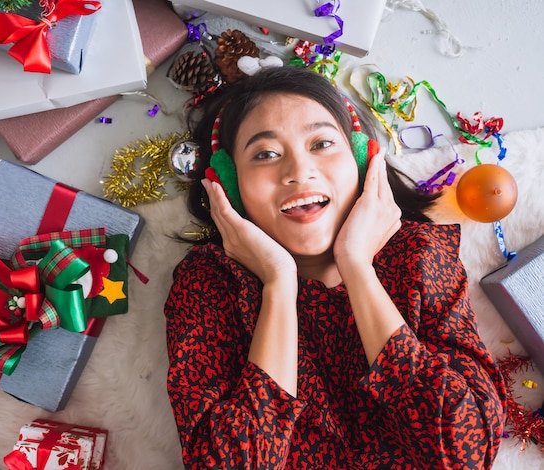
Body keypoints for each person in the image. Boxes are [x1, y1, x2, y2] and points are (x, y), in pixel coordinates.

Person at [164, 65, 506, 469]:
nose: (298, 172)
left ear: (362, 159)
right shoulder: (209, 283)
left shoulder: (417, 254)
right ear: (229, 184)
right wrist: (278, 285)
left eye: (322, 143)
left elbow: (465, 452)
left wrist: (357, 267)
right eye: (266, 154)